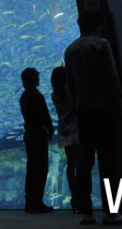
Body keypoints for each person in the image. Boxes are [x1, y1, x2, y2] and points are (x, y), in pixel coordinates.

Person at [64, 9, 122, 226]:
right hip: (104, 110)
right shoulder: (101, 45)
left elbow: (70, 85)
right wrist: (119, 103)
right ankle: (111, 213)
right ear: (98, 25)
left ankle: (86, 212)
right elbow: (111, 77)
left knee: (84, 161)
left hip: (83, 112)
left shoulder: (70, 50)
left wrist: (76, 106)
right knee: (109, 160)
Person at [19, 67, 54, 214]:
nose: (39, 79)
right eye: (37, 77)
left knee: (31, 168)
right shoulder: (37, 96)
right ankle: (37, 202)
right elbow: (44, 115)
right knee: (41, 168)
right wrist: (50, 129)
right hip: (38, 135)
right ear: (33, 79)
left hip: (29, 135)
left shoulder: (23, 96)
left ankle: (29, 202)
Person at [50, 66, 79, 213]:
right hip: (76, 129)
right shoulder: (70, 92)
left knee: (71, 165)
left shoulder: (54, 94)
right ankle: (81, 196)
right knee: (80, 164)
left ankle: (75, 196)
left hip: (64, 131)